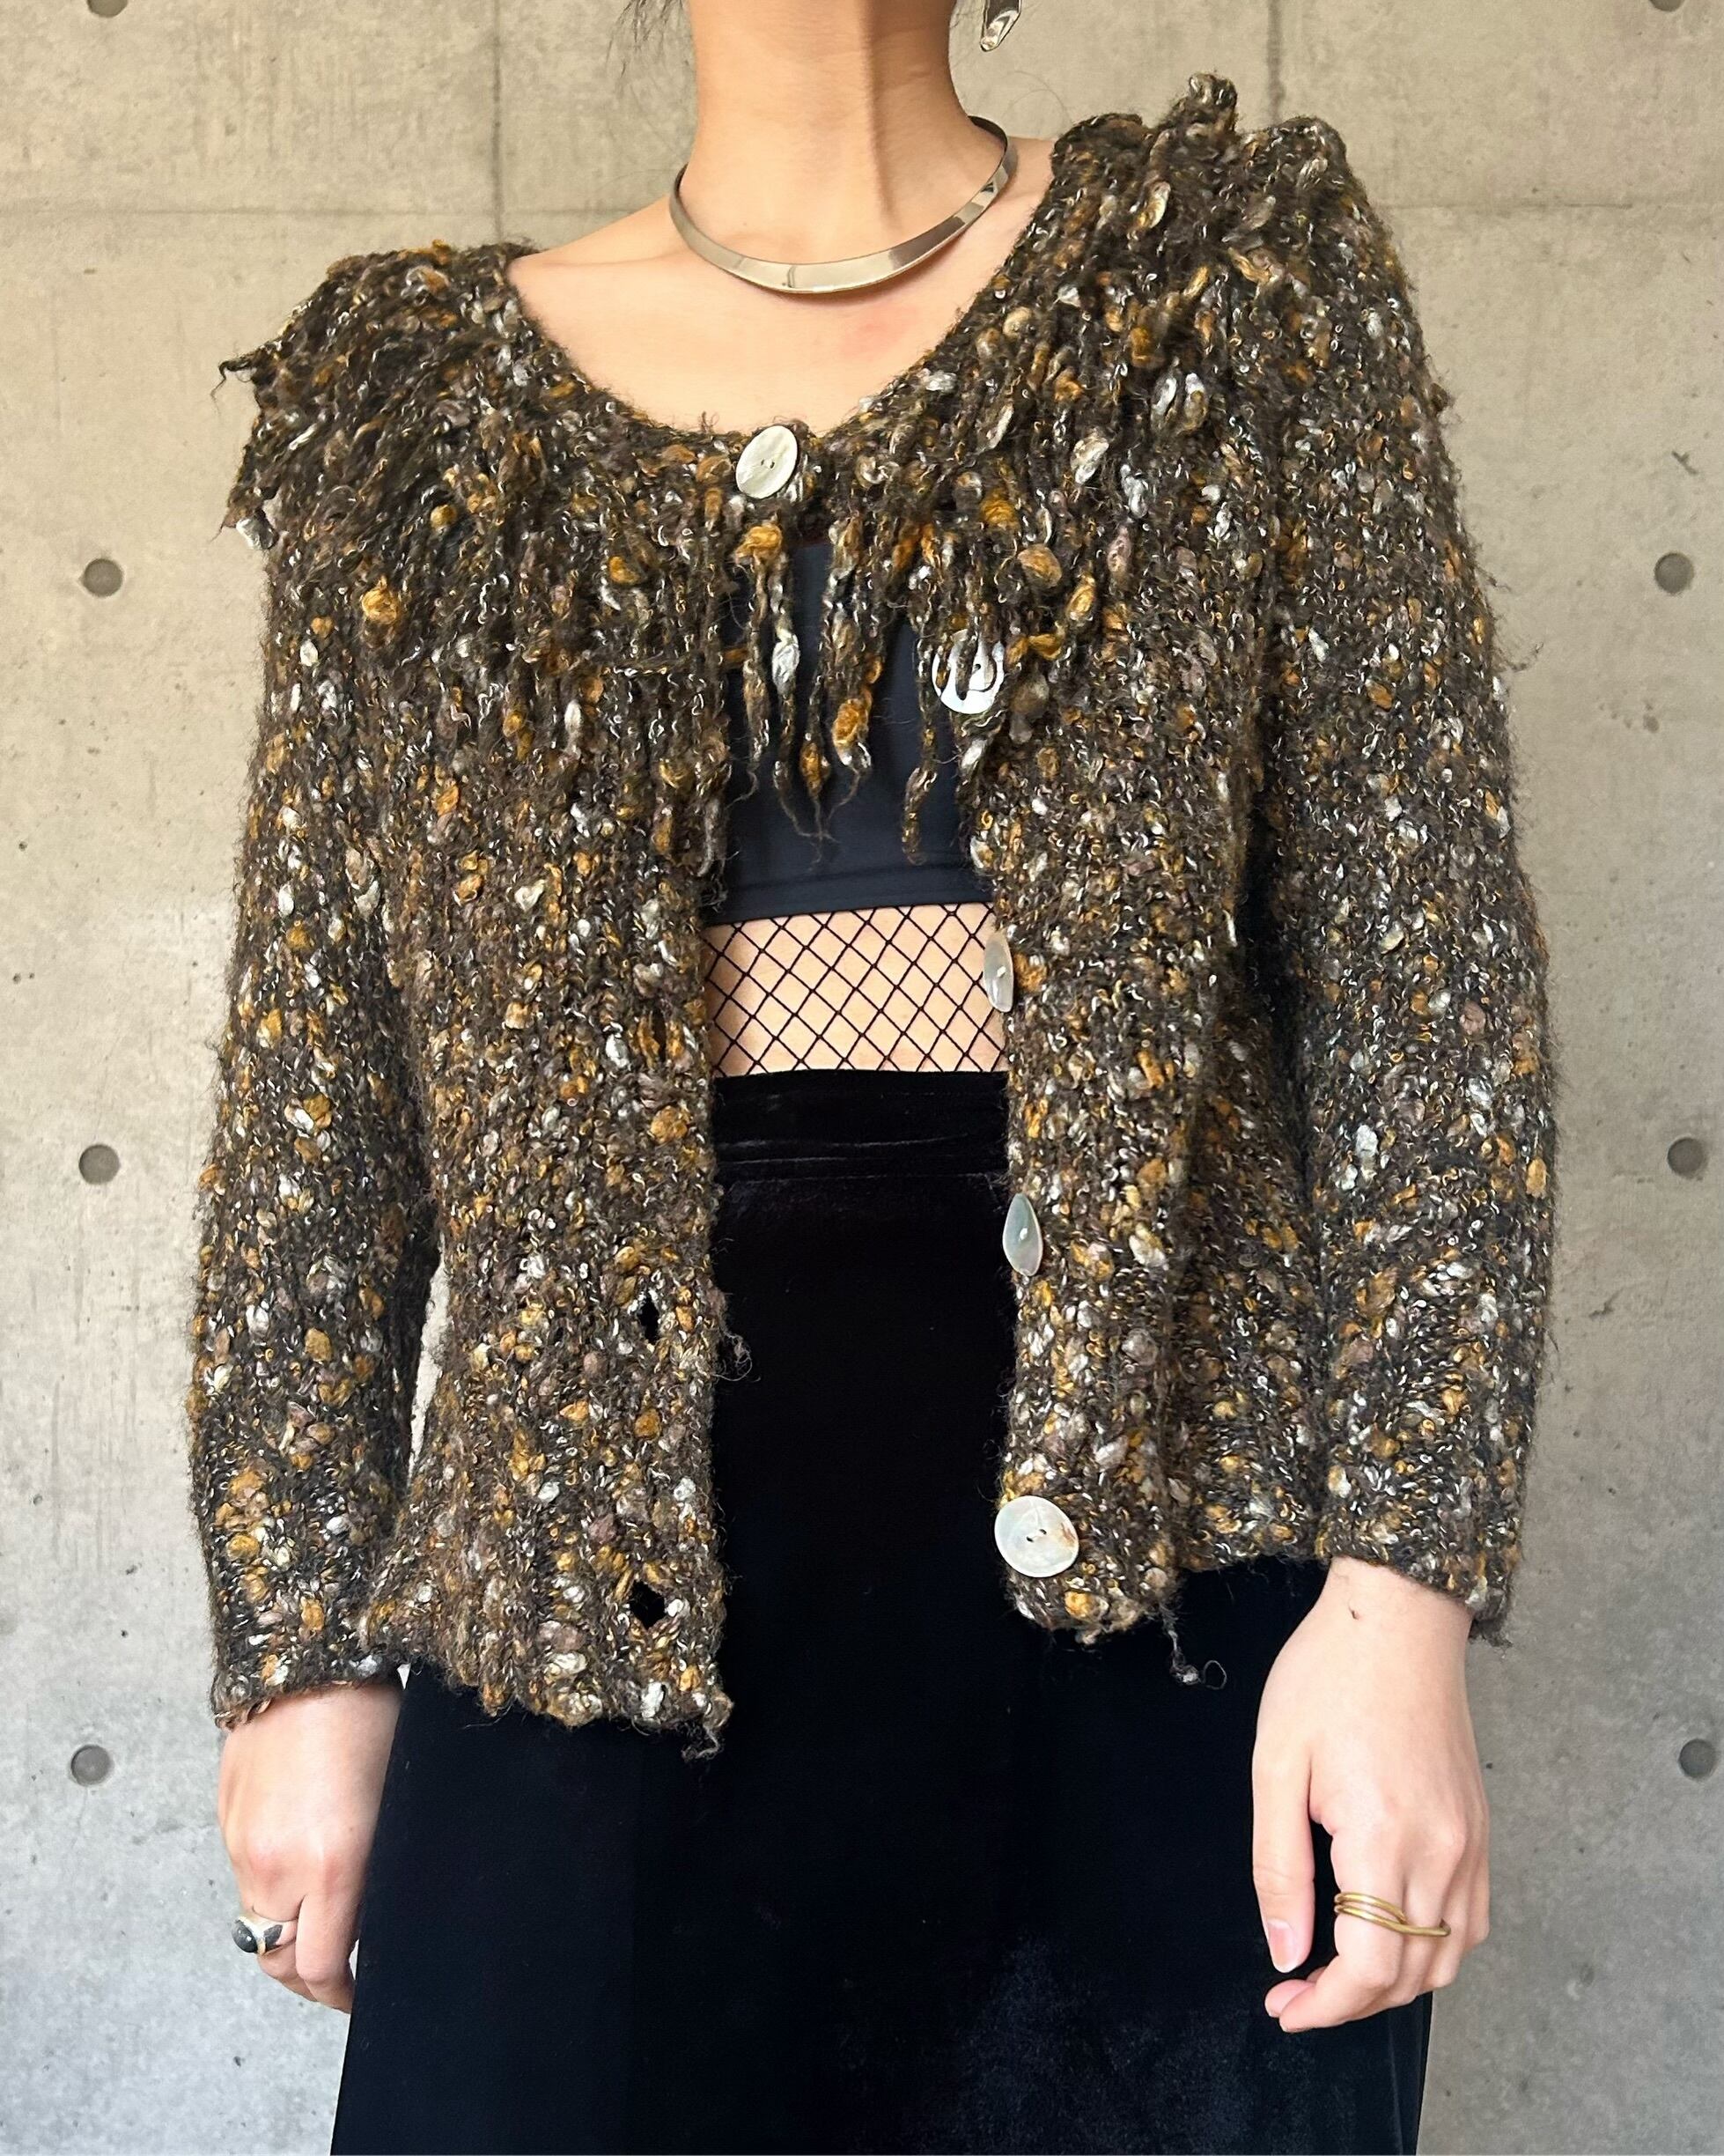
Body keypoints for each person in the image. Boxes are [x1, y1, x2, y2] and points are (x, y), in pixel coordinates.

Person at [185, 4, 1559, 2151]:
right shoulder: (411, 395)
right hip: (572, 1590)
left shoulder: (1230, 290)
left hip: (1167, 1588)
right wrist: (297, 1653)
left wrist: (1400, 1607)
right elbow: (318, 1092)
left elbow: (1426, 983)